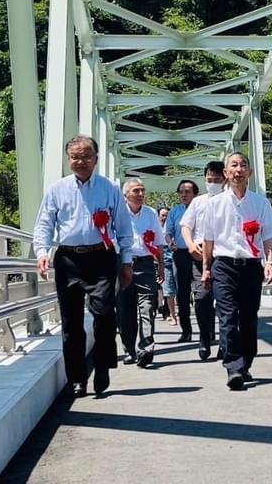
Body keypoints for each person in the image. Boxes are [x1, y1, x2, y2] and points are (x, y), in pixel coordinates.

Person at [33, 135, 133, 397]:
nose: (81, 161)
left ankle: (102, 366)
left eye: (86, 156)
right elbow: (44, 223)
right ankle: (77, 378)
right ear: (68, 159)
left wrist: (126, 262)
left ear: (96, 159)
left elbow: (123, 226)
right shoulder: (57, 189)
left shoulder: (109, 188)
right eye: (75, 156)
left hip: (101, 257)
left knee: (104, 317)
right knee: (71, 323)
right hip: (68, 259)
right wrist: (42, 252)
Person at [201, 151, 272, 390]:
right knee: (227, 317)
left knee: (248, 319)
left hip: (250, 267)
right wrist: (206, 268)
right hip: (224, 265)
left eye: (243, 165)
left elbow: (268, 236)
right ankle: (233, 367)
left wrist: (269, 262)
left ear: (250, 172)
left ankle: (245, 362)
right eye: (233, 166)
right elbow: (208, 240)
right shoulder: (214, 204)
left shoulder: (260, 203)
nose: (238, 170)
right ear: (225, 173)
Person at [180, 160, 226, 360]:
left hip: (223, 256)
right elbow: (186, 226)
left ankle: (224, 342)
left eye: (216, 179)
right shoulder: (198, 202)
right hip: (199, 256)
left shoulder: (229, 200)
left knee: (225, 302)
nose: (213, 182)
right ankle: (204, 336)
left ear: (224, 178)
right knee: (201, 299)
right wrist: (190, 245)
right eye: (209, 179)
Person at [119, 178, 165, 367]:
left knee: (147, 307)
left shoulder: (150, 213)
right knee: (126, 311)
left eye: (142, 191)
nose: (140, 194)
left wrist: (161, 265)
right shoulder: (119, 214)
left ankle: (146, 348)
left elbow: (159, 241)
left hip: (146, 263)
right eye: (136, 191)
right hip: (124, 264)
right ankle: (130, 350)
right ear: (125, 195)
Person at [165, 179, 199, 342]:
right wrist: (170, 242)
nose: (184, 194)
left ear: (195, 193)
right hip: (180, 254)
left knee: (203, 293)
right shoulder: (174, 211)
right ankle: (186, 331)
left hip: (199, 254)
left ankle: (208, 330)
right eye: (181, 192)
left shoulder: (201, 209)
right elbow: (168, 232)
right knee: (182, 293)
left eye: (187, 191)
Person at [158, 206, 178, 325]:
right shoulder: (156, 227)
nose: (165, 218)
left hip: (176, 253)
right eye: (163, 215)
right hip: (163, 256)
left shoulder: (174, 225)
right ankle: (172, 315)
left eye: (167, 215)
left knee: (180, 288)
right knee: (169, 289)